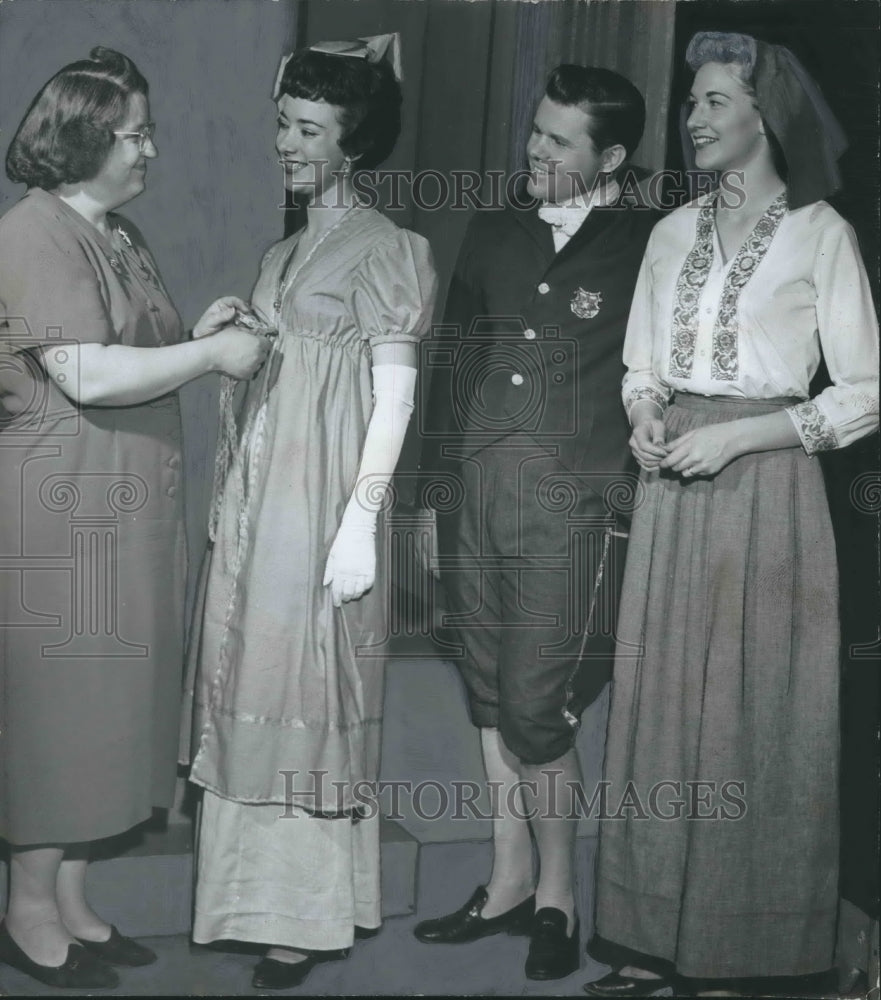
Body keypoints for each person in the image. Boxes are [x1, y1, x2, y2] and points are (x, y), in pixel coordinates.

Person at [583, 31, 879, 999]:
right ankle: (642, 939)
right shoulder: (667, 232)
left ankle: (732, 953)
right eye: (690, 102)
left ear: (764, 115)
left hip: (765, 493)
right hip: (671, 491)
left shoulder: (817, 234)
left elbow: (864, 389)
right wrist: (643, 416)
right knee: (662, 705)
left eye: (713, 100)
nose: (693, 117)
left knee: (749, 716)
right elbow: (638, 364)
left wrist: (740, 438)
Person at [0, 48, 270, 990]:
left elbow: (131, 349)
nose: (152, 148)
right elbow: (86, 373)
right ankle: (27, 912)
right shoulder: (34, 234)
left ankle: (71, 899)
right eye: (134, 134)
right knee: (60, 718)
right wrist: (211, 360)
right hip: (62, 516)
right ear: (82, 140)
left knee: (109, 713)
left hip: (121, 510)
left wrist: (200, 333)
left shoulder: (115, 232)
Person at [179, 34, 437, 992]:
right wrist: (228, 330)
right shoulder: (280, 251)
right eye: (283, 123)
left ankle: (304, 917)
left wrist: (362, 523)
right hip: (261, 505)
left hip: (323, 506)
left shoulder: (392, 251)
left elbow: (395, 399)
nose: (285, 141)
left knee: (307, 687)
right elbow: (266, 381)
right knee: (252, 674)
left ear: (353, 144)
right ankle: (244, 904)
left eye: (307, 129)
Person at [413, 65, 655, 982]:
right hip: (476, 496)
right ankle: (507, 880)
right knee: (485, 689)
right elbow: (453, 370)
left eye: (559, 141)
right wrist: (433, 501)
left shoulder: (647, 242)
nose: (535, 150)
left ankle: (559, 894)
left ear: (613, 158)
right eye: (535, 130)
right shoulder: (493, 226)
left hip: (574, 510)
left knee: (534, 706)